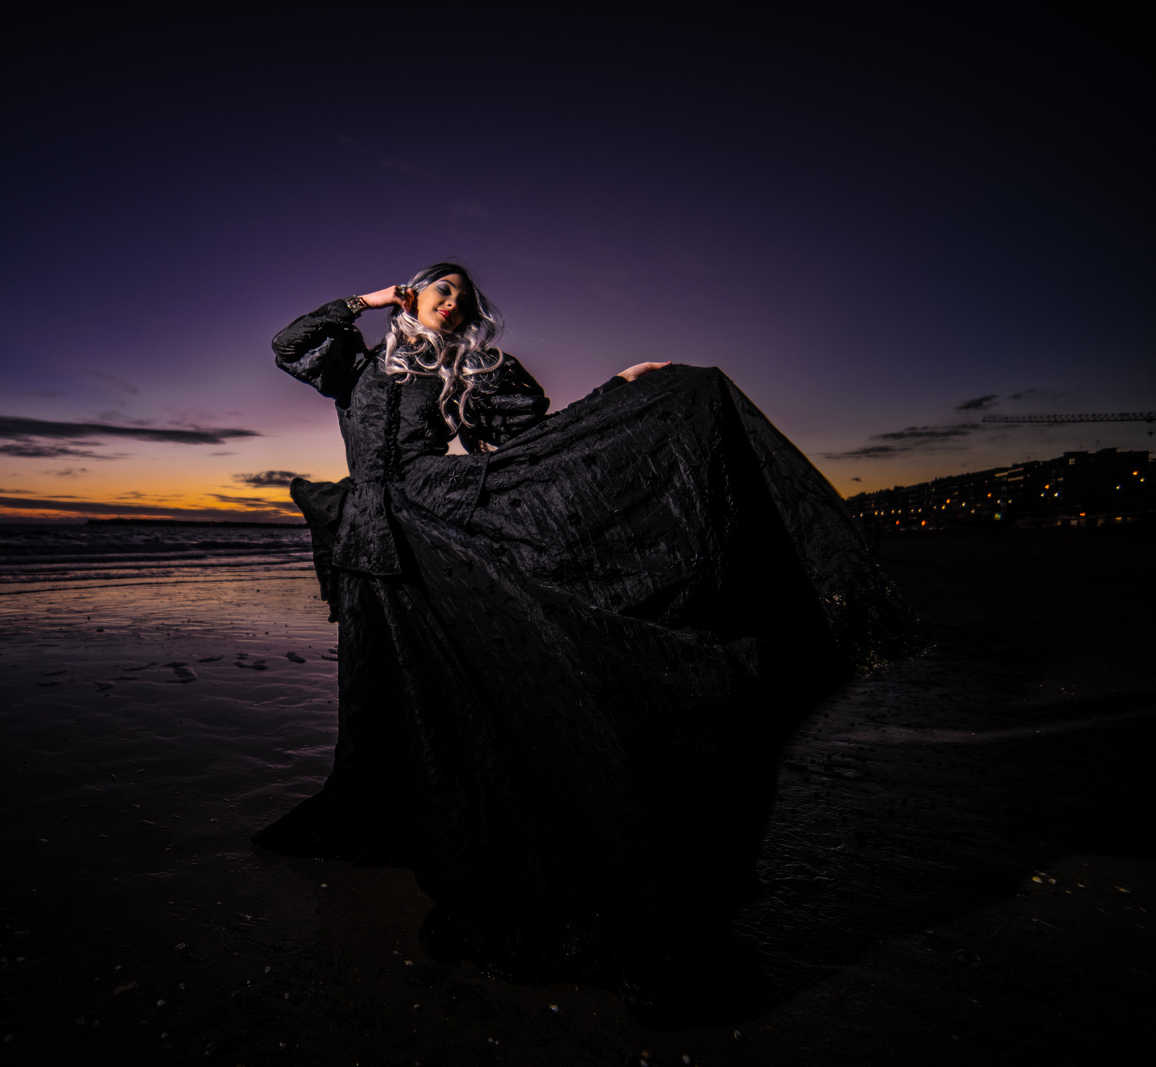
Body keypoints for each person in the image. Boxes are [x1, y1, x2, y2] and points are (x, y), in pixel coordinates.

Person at [254, 262, 918, 1005]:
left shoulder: (464, 370)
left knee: (458, 674)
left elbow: (542, 440)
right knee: (386, 680)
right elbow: (289, 344)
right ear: (411, 294)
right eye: (441, 288)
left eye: (463, 297)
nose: (453, 302)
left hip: (432, 516)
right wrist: (366, 299)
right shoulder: (357, 365)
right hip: (367, 534)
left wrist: (617, 389)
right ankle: (402, 809)